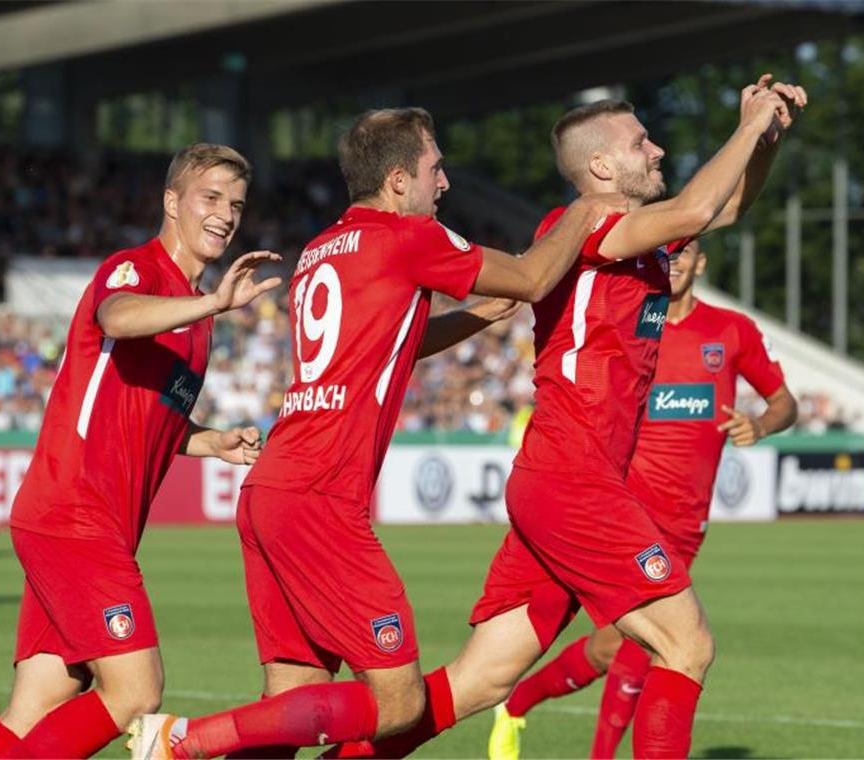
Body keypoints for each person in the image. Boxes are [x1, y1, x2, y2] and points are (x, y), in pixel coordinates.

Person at [322, 74, 806, 760]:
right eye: (643, 142)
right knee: (686, 646)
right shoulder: (591, 224)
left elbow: (722, 210)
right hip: (574, 482)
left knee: (479, 680)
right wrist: (748, 124)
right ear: (602, 168)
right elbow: (698, 208)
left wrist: (766, 141)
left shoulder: (635, 234)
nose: (659, 150)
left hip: (557, 482)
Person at [127, 107, 629, 760]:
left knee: (292, 701)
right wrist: (586, 210)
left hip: (271, 492)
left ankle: (192, 742)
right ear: (398, 181)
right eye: (435, 168)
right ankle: (185, 739)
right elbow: (535, 277)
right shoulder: (409, 237)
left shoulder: (325, 247)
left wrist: (475, 318)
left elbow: (394, 342)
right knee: (399, 701)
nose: (444, 183)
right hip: (321, 499)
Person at [0, 142, 283, 759]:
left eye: (236, 204)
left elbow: (151, 413)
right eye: (210, 197)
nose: (225, 214)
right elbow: (116, 316)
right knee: (137, 693)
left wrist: (210, 440)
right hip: (72, 513)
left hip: (90, 523)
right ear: (171, 202)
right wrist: (212, 301)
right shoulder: (135, 268)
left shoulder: (198, 317)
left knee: (37, 706)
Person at [488, 238, 798, 759]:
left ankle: (517, 704)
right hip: (625, 512)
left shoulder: (730, 331)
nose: (673, 264)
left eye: (684, 255)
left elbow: (784, 401)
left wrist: (762, 424)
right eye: (666, 255)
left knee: (613, 648)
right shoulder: (634, 327)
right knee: (647, 649)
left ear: (700, 263)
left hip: (687, 522)